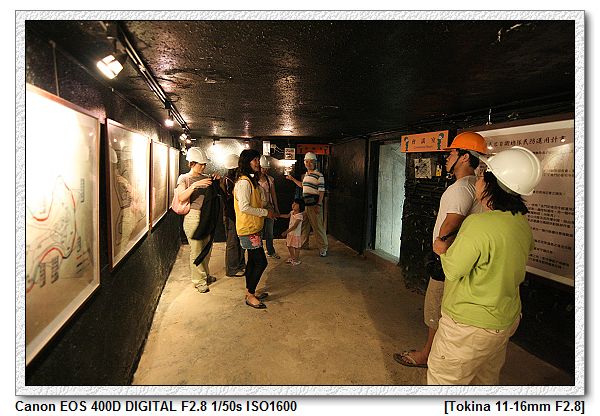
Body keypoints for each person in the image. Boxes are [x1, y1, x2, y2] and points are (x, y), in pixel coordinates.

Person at [427, 146, 542, 385]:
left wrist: (441, 249)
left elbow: (453, 269)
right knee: (485, 381)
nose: (477, 181)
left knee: (444, 381)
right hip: (504, 320)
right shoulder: (521, 223)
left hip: (468, 325)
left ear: (492, 186)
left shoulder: (478, 224)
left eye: (481, 176)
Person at [393, 131, 487, 368]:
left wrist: (439, 250)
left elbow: (452, 223)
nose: (447, 158)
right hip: (462, 260)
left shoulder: (460, 189)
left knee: (435, 308)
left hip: (448, 260)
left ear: (464, 157)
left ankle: (428, 355)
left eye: (452, 153)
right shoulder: (474, 186)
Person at [234, 149, 276, 309]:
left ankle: (249, 292)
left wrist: (266, 206)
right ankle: (250, 295)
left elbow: (256, 201)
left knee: (253, 261)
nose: (258, 163)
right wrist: (265, 212)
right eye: (255, 160)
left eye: (258, 160)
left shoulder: (250, 180)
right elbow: (244, 207)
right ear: (247, 162)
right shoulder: (244, 182)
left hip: (253, 227)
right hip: (248, 229)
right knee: (260, 262)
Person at [176, 147, 218, 293]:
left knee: (207, 248)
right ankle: (198, 280)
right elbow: (181, 197)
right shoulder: (184, 178)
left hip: (207, 216)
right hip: (193, 216)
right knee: (196, 249)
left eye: (204, 164)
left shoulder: (205, 177)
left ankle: (204, 275)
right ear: (192, 163)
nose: (203, 167)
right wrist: (194, 186)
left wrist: (216, 181)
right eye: (201, 164)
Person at [285, 152, 328, 257]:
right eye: (307, 161)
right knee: (304, 225)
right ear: (304, 163)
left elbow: (321, 190)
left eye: (311, 162)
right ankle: (304, 244)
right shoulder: (306, 175)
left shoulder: (319, 175)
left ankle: (323, 248)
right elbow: (302, 186)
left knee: (318, 227)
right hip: (306, 205)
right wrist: (292, 179)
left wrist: (319, 204)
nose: (309, 164)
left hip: (314, 205)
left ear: (315, 163)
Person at [220, 153, 245, 277]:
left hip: (236, 214)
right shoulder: (228, 180)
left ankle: (240, 265)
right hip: (231, 215)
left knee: (239, 241)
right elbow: (230, 199)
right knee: (233, 242)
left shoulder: (233, 180)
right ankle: (232, 269)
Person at [258, 155, 281, 259]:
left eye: (266, 168)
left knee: (269, 231)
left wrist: (276, 208)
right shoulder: (253, 179)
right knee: (258, 231)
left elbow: (273, 194)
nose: (265, 170)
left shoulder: (270, 179)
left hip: (269, 206)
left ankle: (270, 251)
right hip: (258, 208)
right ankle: (258, 251)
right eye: (263, 168)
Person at [278, 198, 305, 266]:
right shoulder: (292, 212)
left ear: (300, 206)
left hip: (296, 234)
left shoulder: (299, 216)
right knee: (289, 245)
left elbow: (295, 226)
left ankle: (296, 260)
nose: (293, 205)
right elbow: (287, 216)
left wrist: (286, 232)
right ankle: (293, 257)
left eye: (295, 204)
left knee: (296, 247)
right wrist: (279, 215)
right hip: (290, 234)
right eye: (293, 203)